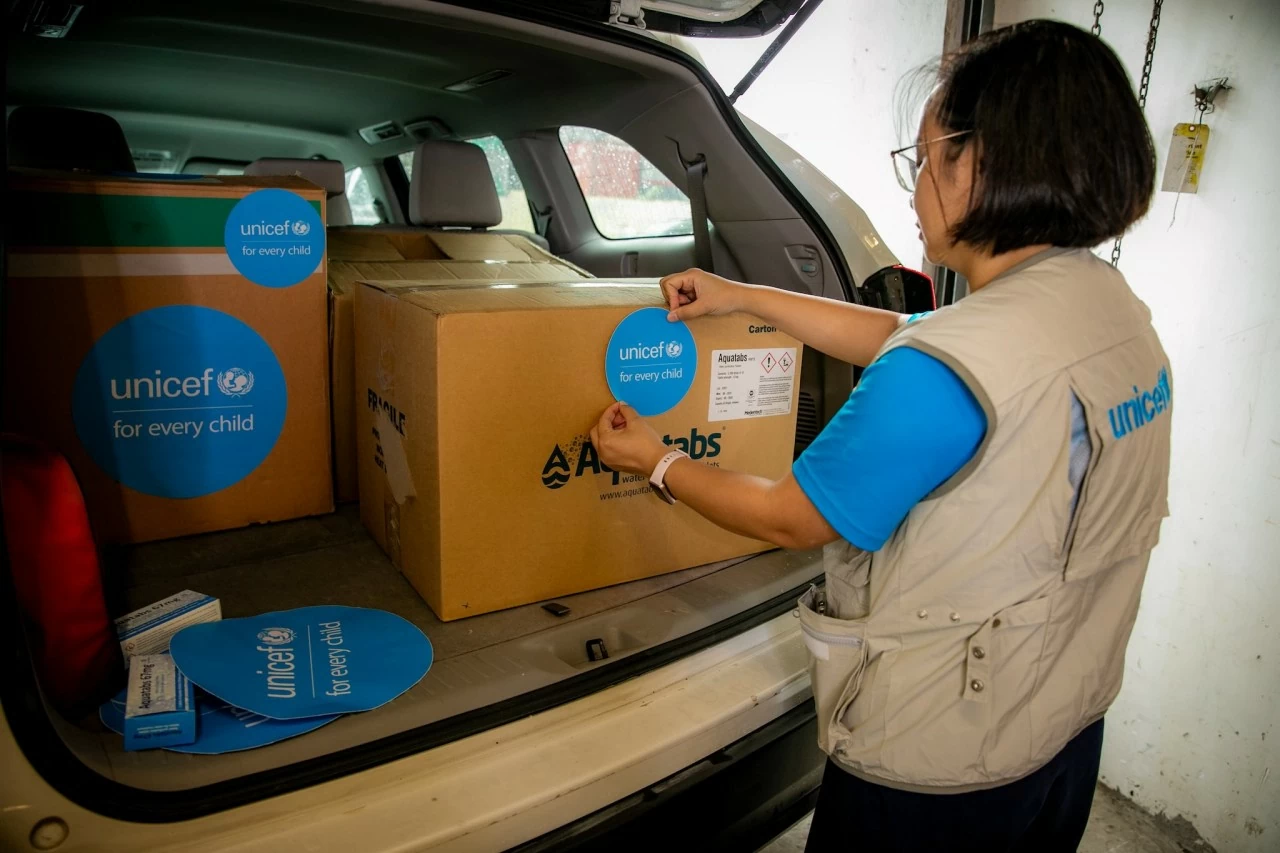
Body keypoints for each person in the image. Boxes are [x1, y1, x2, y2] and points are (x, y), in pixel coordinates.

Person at [592, 19, 1171, 853]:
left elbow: (791, 516)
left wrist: (656, 460)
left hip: (941, 769)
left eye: (931, 157)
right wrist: (742, 296)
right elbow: (908, 332)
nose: (915, 185)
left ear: (993, 165)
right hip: (1067, 726)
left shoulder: (947, 370)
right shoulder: (1104, 309)